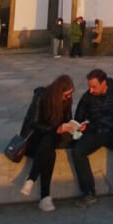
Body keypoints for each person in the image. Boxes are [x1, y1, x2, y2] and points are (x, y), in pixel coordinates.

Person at [71, 68, 113, 209]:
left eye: (94, 87)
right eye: (89, 86)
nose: (91, 90)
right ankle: (89, 191)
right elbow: (78, 120)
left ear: (104, 84)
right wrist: (80, 129)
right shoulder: (87, 97)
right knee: (78, 151)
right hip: (94, 131)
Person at [19, 74, 76, 212]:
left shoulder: (66, 102)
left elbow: (68, 120)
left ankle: (31, 179)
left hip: (52, 138)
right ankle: (45, 197)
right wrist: (56, 129)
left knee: (50, 141)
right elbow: (34, 122)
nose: (68, 98)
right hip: (33, 139)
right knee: (49, 147)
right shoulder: (41, 96)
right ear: (57, 93)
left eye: (70, 95)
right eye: (66, 95)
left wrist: (75, 128)